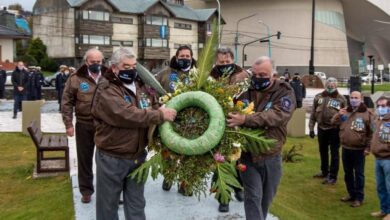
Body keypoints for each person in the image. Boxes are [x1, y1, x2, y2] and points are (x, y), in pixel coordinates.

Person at [91, 48, 177, 220]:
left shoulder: (139, 86)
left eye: (134, 65)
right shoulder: (107, 88)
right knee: (108, 207)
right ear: (114, 68)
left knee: (136, 205)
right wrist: (159, 115)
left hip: (137, 157)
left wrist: (159, 108)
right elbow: (126, 114)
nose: (131, 69)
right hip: (112, 157)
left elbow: (148, 106)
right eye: (126, 66)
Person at [227, 56, 295, 220]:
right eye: (254, 74)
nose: (257, 78)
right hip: (247, 155)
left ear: (274, 75)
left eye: (263, 75)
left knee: (266, 199)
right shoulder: (243, 89)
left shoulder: (284, 91)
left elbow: (278, 116)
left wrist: (246, 119)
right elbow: (227, 103)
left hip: (270, 154)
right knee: (253, 197)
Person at [61, 48, 108, 204]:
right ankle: (86, 190)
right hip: (84, 125)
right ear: (86, 62)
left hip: (105, 126)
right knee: (84, 159)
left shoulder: (109, 76)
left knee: (108, 160)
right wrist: (68, 124)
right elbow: (67, 102)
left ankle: (110, 191)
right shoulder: (76, 79)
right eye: (92, 62)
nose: (96, 64)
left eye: (99, 62)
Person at [209, 46, 248, 212]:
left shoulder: (244, 76)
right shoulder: (210, 77)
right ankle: (223, 198)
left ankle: (239, 188)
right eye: (221, 62)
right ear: (216, 62)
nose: (225, 64)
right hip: (217, 125)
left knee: (239, 159)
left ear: (233, 60)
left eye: (228, 61)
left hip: (240, 124)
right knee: (220, 160)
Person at [156, 45, 197, 194]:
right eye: (182, 56)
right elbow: (152, 89)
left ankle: (185, 183)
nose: (185, 59)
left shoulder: (198, 74)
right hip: (169, 119)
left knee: (189, 152)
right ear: (176, 57)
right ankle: (169, 176)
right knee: (168, 151)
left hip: (192, 121)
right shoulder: (166, 73)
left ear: (192, 58)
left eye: (187, 56)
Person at [331, 91, 374, 207]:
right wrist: (338, 114)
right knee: (347, 173)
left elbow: (371, 133)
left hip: (359, 150)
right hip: (346, 148)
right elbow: (333, 122)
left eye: (356, 98)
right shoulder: (345, 111)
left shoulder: (367, 114)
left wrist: (368, 148)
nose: (353, 99)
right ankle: (351, 194)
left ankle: (359, 198)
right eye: (352, 97)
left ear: (361, 99)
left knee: (359, 174)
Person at [309, 77, 347, 184]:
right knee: (323, 151)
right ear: (326, 85)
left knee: (334, 153)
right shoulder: (318, 97)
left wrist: (343, 130)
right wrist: (311, 128)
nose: (331, 86)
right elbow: (313, 114)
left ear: (336, 86)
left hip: (334, 129)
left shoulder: (341, 99)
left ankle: (333, 176)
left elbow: (345, 116)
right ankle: (324, 171)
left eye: (333, 85)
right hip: (321, 128)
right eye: (329, 84)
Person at [370, 96, 390, 219]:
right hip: (378, 159)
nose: (380, 108)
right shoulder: (378, 120)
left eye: (383, 106)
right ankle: (384, 210)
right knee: (381, 186)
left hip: (388, 159)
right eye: (379, 106)